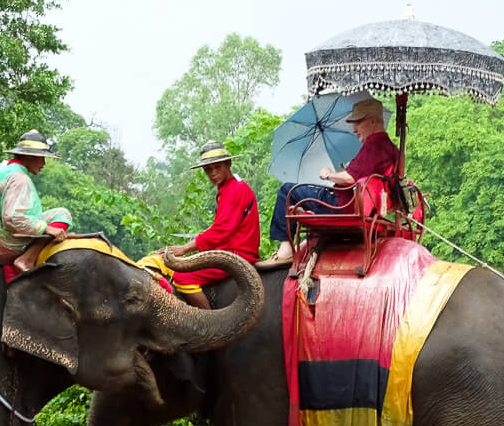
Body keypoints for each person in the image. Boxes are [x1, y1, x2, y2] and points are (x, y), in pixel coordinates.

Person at [258, 96, 399, 267]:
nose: (354, 129)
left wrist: (329, 174)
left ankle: (285, 250)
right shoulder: (391, 148)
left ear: (372, 121)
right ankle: (306, 216)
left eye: (357, 123)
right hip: (360, 205)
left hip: (341, 205)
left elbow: (351, 178)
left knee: (287, 190)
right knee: (307, 193)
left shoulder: (374, 145)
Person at [164, 141, 260, 309]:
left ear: (228, 163)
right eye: (208, 169)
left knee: (182, 277)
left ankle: (208, 320)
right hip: (232, 250)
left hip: (237, 254)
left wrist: (185, 249)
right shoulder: (231, 186)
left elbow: (221, 231)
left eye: (217, 167)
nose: (213, 173)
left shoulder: (234, 190)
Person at [0, 130, 73, 272]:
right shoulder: (19, 178)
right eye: (41, 157)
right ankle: (27, 259)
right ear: (29, 156)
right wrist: (47, 229)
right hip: (6, 245)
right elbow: (12, 218)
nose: (43, 163)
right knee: (63, 213)